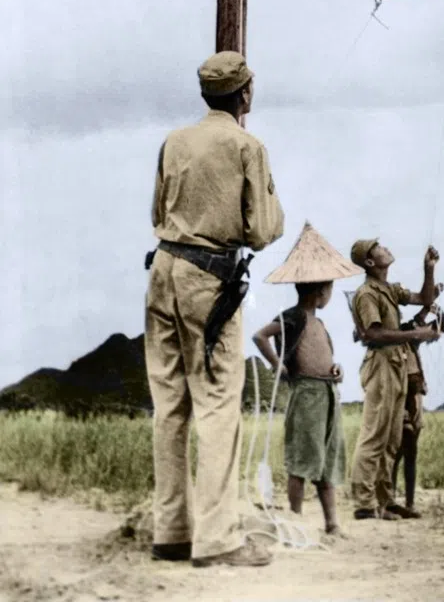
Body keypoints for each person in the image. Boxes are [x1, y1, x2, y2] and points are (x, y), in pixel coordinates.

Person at [145, 51, 284, 567]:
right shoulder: (248, 146)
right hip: (210, 278)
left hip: (163, 268)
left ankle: (173, 532)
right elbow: (263, 230)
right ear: (245, 93)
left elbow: (157, 212)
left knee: (170, 406)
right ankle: (219, 539)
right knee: (218, 406)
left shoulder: (174, 141)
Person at [348, 239, 441, 520]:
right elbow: (373, 334)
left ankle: (385, 500)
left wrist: (428, 270)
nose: (386, 247)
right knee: (375, 433)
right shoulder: (366, 294)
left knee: (392, 437)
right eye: (378, 247)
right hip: (381, 364)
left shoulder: (389, 289)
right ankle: (364, 503)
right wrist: (416, 335)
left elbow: (425, 299)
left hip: (396, 363)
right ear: (369, 262)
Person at [252, 280, 346, 538]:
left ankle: (332, 523)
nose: (329, 295)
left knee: (327, 458)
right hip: (305, 394)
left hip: (328, 393)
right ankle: (296, 521)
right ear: (321, 292)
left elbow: (324, 358)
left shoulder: (320, 324)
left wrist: (336, 371)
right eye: (329, 291)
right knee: (302, 460)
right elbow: (260, 335)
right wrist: (277, 363)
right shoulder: (293, 316)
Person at [391, 301, 444, 516]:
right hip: (399, 400)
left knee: (407, 453)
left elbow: (437, 326)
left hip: (413, 400)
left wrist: (433, 307)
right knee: (398, 453)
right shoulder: (392, 339)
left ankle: (407, 502)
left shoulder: (407, 334)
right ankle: (396, 501)